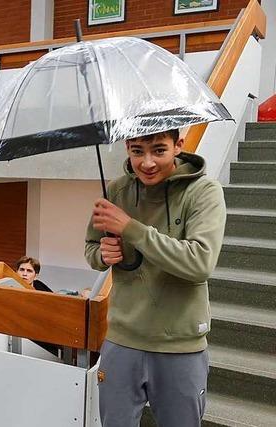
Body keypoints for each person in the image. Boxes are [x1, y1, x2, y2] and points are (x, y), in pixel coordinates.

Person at [84, 129, 226, 427]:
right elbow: (92, 248)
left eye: (159, 150)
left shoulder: (204, 192)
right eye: (137, 151)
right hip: (122, 340)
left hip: (180, 344)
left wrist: (131, 228)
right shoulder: (116, 191)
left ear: (178, 146)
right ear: (127, 148)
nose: (147, 162)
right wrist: (103, 255)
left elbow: (200, 262)